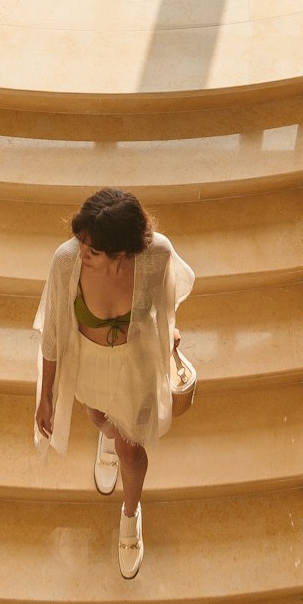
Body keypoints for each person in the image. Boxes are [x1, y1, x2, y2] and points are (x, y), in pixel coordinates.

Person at [34, 188, 194, 578]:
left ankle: (130, 514)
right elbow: (54, 332)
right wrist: (47, 396)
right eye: (82, 241)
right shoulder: (67, 260)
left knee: (130, 450)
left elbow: (166, 301)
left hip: (134, 366)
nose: (82, 252)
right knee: (98, 418)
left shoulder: (157, 254)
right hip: (87, 364)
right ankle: (108, 434)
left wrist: (168, 334)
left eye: (93, 249)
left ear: (122, 253)